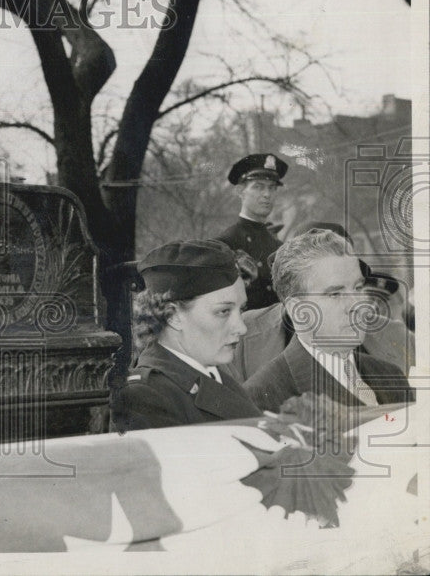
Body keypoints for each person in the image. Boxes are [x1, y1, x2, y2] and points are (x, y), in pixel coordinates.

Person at [243, 229, 413, 413]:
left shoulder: (391, 374)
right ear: (298, 311)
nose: (357, 305)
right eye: (335, 294)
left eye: (358, 287)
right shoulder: (261, 396)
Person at [111, 240, 261, 431]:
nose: (242, 328)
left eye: (241, 310)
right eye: (223, 312)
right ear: (173, 316)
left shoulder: (217, 376)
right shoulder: (143, 396)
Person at [214, 153, 288, 310]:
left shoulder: (280, 247)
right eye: (258, 187)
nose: (267, 194)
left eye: (272, 188)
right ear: (240, 191)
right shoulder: (226, 243)